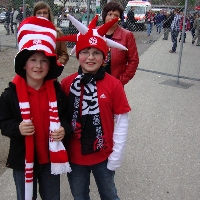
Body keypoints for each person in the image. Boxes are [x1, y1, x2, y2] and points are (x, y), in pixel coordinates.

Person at [57, 14, 131, 199]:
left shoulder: (113, 84)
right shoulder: (67, 83)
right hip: (75, 156)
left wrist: (117, 155)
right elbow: (60, 116)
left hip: (104, 155)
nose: (90, 57)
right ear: (78, 55)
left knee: (109, 195)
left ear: (104, 57)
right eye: (85, 52)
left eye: (96, 53)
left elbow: (122, 120)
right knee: (79, 195)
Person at [0, 16, 72, 200]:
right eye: (33, 60)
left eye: (44, 61)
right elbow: (4, 123)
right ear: (24, 64)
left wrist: (63, 129)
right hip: (23, 160)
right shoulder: (10, 94)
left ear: (50, 66)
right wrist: (17, 128)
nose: (38, 66)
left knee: (52, 197)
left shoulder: (56, 91)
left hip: (49, 159)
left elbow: (66, 117)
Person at [101, 1, 139, 86]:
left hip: (114, 82)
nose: (112, 18)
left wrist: (121, 80)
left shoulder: (127, 36)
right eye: (110, 14)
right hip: (94, 81)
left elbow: (133, 60)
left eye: (116, 15)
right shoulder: (95, 32)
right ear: (104, 15)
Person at [33, 1, 69, 66]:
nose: (42, 15)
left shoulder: (57, 33)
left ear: (49, 15)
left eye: (45, 13)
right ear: (34, 15)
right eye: (39, 13)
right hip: (34, 69)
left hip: (51, 70)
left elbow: (64, 55)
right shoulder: (29, 33)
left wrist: (57, 64)